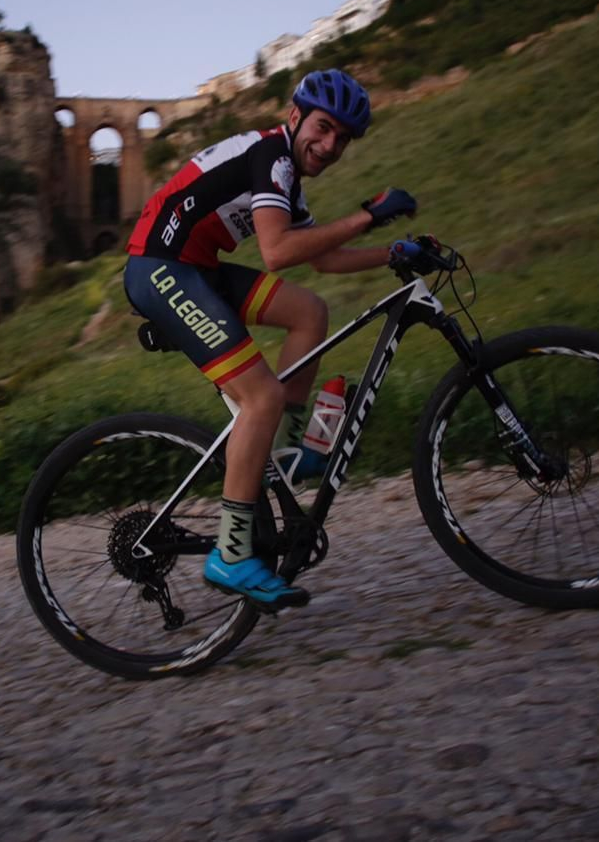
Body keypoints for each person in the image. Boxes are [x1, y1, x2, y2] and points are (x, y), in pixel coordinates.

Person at [123, 69, 417, 610]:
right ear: (294, 116)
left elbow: (321, 258)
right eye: (323, 128)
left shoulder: (284, 177)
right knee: (261, 396)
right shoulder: (272, 157)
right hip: (159, 269)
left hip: (197, 268)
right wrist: (367, 216)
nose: (329, 146)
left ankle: (286, 450)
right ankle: (232, 553)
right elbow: (277, 252)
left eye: (342, 139)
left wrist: (393, 252)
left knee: (309, 312)